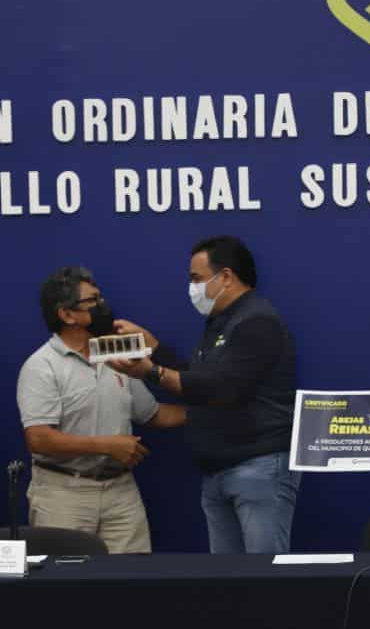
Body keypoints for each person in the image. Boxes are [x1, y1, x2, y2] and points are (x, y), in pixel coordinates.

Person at [111, 236, 299, 554]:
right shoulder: (219, 324)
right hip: (219, 468)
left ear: (225, 277)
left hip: (257, 466)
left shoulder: (257, 322)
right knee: (226, 581)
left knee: (267, 581)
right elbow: (200, 377)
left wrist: (151, 372)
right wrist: (153, 347)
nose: (192, 288)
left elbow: (222, 388)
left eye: (196, 279)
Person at [16, 266, 186, 553]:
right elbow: (39, 439)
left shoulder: (116, 356)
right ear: (66, 314)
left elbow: (153, 414)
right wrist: (107, 445)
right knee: (65, 588)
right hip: (64, 493)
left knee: (133, 583)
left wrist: (211, 412)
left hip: (121, 492)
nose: (103, 307)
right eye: (93, 302)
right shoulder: (42, 365)